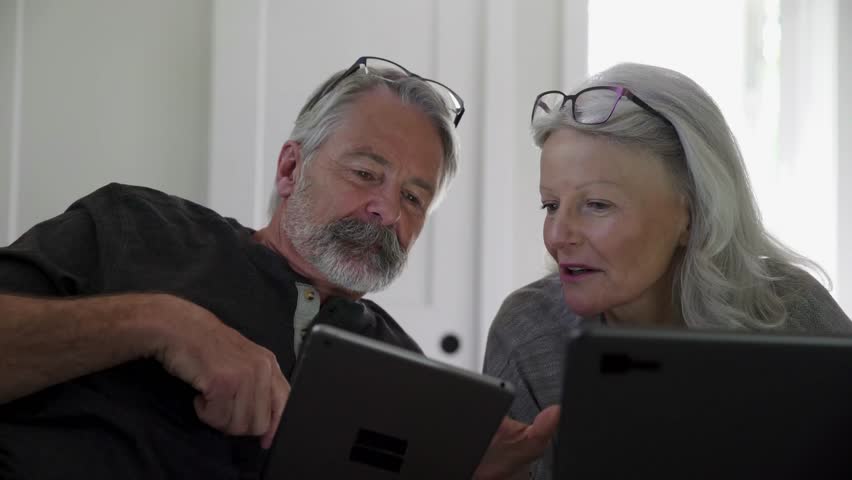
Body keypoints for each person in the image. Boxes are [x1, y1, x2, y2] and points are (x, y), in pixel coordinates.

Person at [0, 56, 557, 479]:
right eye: (366, 173)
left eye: (414, 198)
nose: (387, 211)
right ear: (291, 168)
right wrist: (162, 325)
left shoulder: (407, 374)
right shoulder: (135, 226)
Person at [483, 62, 852, 480]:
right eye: (550, 206)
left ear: (691, 214)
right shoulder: (529, 333)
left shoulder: (790, 311)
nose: (558, 235)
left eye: (597, 205)